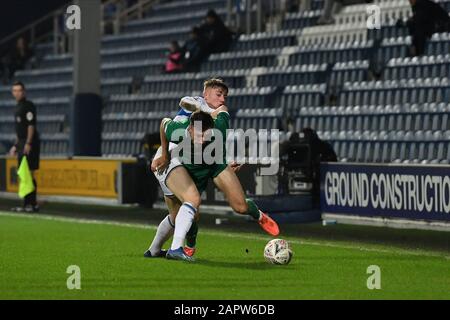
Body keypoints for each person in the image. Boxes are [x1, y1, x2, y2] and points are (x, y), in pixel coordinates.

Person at [146, 80, 280, 262]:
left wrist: (227, 160)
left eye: (225, 96)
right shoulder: (182, 127)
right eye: (218, 94)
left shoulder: (219, 125)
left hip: (212, 163)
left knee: (239, 206)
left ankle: (257, 213)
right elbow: (166, 121)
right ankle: (183, 245)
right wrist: (163, 156)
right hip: (178, 164)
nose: (222, 99)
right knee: (188, 210)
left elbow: (222, 113)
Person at [8, 81, 40, 213]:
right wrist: (16, 145)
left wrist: (28, 143)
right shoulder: (17, 107)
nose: (17, 93)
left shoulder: (28, 106)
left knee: (29, 173)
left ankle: (31, 204)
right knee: (24, 174)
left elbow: (30, 126)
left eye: (19, 90)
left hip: (29, 144)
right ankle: (28, 203)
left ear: (24, 91)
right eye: (15, 90)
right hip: (21, 143)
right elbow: (19, 130)